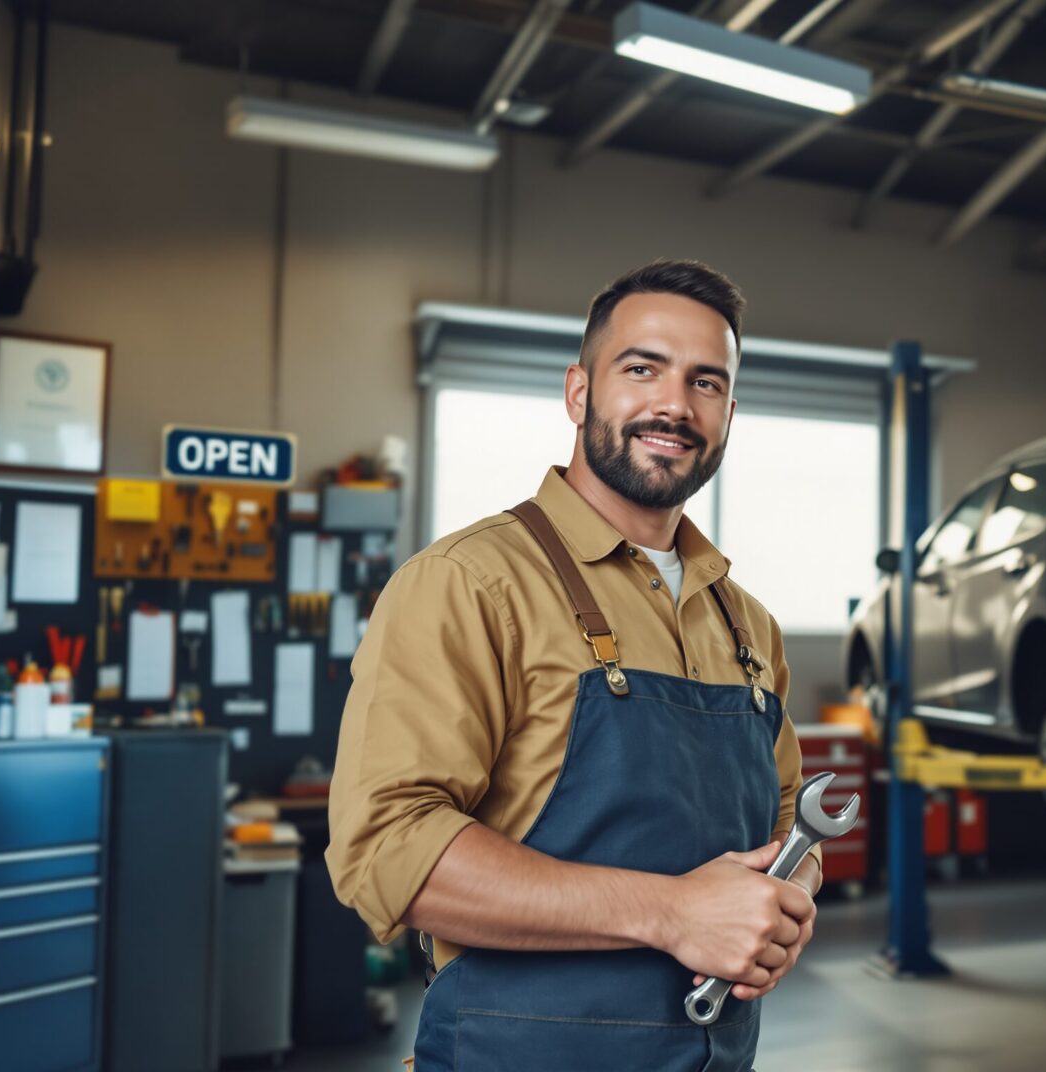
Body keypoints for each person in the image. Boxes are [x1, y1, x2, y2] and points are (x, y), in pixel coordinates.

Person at [328, 260, 820, 1071]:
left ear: (730, 413)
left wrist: (785, 908)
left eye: (706, 382)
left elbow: (790, 827)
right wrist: (671, 913)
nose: (674, 404)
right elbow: (387, 848)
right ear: (579, 391)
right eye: (641, 369)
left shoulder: (748, 627)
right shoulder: (468, 583)